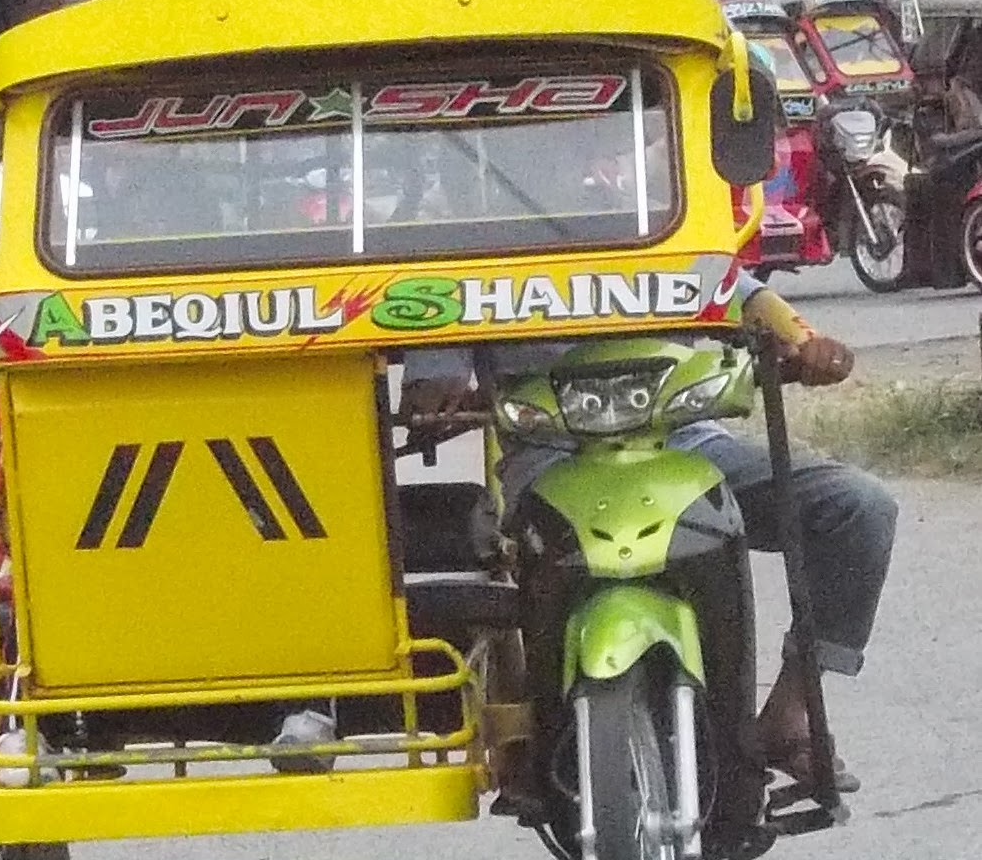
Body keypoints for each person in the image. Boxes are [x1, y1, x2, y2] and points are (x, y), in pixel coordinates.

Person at [379, 270, 896, 799]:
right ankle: (539, 724)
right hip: (554, 455)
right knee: (537, 558)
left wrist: (802, 340)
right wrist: (432, 379)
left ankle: (792, 713)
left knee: (859, 509)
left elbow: (727, 281)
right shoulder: (488, 235)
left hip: (684, 441)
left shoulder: (652, 214)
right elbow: (446, 307)